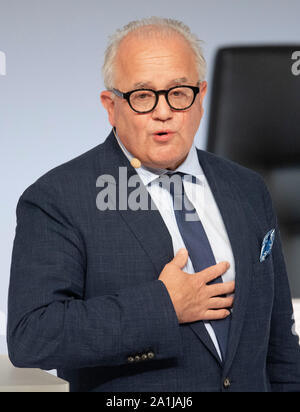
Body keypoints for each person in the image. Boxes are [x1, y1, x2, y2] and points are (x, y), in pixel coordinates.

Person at [7, 17, 300, 392]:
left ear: (201, 97)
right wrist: (163, 306)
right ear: (111, 106)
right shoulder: (58, 199)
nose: (164, 112)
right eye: (143, 96)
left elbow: (279, 344)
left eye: (178, 92)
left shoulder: (248, 188)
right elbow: (32, 336)